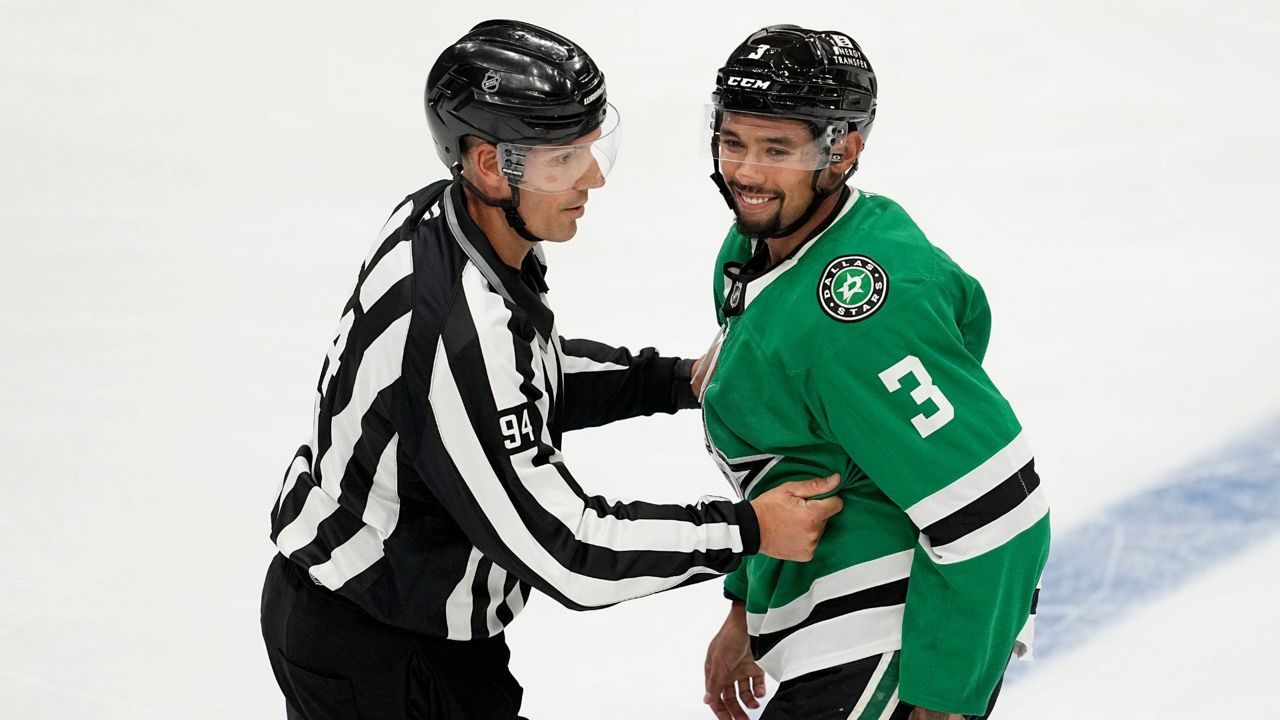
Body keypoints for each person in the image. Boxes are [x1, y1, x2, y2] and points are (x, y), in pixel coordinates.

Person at [259, 19, 844, 720]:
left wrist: (674, 378)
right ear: (487, 164)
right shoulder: (456, 327)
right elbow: (566, 547)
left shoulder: (443, 222)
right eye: (563, 159)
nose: (593, 177)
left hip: (396, 626)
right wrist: (747, 529)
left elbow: (519, 372)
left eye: (592, 149)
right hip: (383, 652)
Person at [695, 25, 1051, 720]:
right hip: (829, 622)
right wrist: (746, 602)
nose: (746, 172)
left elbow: (1001, 513)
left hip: (890, 633)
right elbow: (797, 457)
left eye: (778, 150)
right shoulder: (754, 249)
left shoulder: (859, 313)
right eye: (734, 141)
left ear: (843, 151)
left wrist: (943, 700)